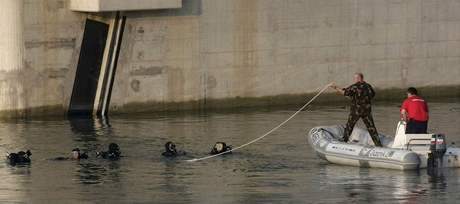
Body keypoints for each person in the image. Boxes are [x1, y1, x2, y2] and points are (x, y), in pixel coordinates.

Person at [330, 73, 383, 147]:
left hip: (356, 111)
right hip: (367, 110)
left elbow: (345, 92)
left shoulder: (355, 86)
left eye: (355, 78)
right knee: (371, 127)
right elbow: (372, 95)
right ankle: (378, 144)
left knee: (350, 125)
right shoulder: (368, 86)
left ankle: (344, 140)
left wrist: (335, 87)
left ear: (358, 78)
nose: (355, 80)